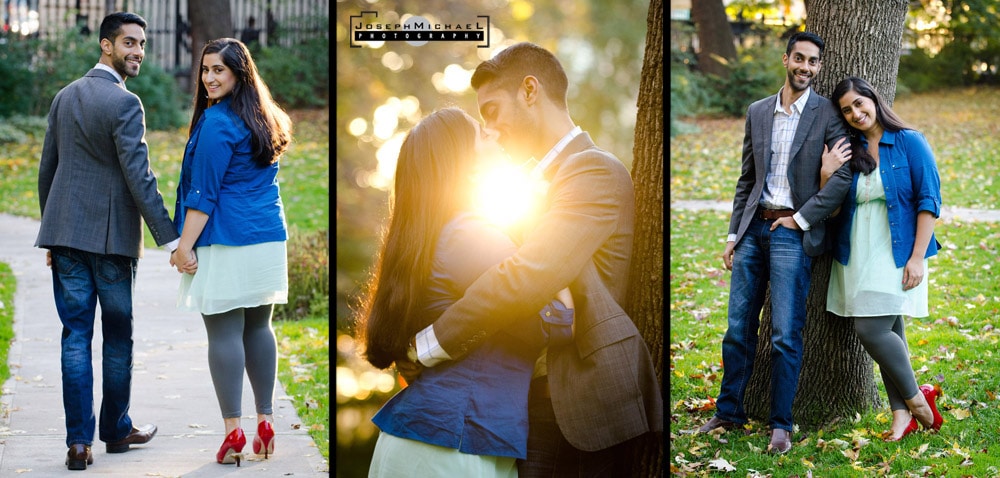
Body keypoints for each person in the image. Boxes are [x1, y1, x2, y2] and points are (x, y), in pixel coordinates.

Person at [401, 42, 663, 476]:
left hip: (579, 398)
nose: (489, 129)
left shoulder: (594, 169)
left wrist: (428, 345)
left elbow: (523, 276)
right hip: (525, 399)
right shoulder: (527, 183)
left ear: (529, 91)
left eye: (491, 111)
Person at [358, 107, 575, 477]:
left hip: (451, 440)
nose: (492, 134)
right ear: (466, 165)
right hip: (450, 444)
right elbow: (557, 320)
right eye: (480, 133)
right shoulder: (469, 234)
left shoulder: (441, 235)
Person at [696, 31, 854, 454]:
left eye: (813, 62)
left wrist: (799, 220)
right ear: (786, 59)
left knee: (785, 333)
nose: (805, 67)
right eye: (799, 58)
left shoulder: (828, 115)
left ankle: (780, 425)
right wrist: (733, 234)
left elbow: (841, 180)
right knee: (737, 328)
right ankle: (728, 411)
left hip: (792, 234)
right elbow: (747, 179)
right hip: (752, 230)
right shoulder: (758, 112)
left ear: (819, 67)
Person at [35, 11, 171, 471]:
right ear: (105, 45)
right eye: (129, 43)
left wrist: (51, 230)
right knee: (116, 338)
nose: (137, 52)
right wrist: (170, 239)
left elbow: (47, 171)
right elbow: (139, 176)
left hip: (68, 237)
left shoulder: (64, 96)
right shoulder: (124, 104)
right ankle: (114, 430)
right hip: (111, 243)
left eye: (142, 44)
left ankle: (78, 443)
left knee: (75, 336)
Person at [171, 37, 292, 466]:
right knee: (258, 328)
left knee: (223, 334)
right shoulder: (269, 117)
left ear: (239, 72)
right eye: (205, 70)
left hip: (226, 239)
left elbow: (203, 195)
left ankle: (233, 432)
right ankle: (266, 421)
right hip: (267, 238)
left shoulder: (218, 123)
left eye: (218, 70)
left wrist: (184, 246)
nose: (209, 79)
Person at [821, 76, 944, 441]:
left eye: (860, 103)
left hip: (896, 254)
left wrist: (918, 257)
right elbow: (833, 207)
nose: (856, 113)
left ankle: (918, 400)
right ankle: (900, 415)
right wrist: (828, 174)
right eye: (847, 109)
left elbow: (929, 201)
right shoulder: (850, 149)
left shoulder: (909, 141)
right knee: (890, 333)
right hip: (856, 252)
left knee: (870, 330)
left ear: (873, 99)